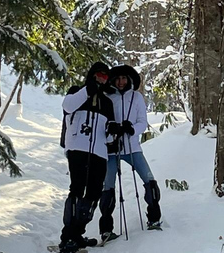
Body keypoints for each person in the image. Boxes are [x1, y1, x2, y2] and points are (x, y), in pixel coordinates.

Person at [98, 64, 162, 243]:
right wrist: (111, 129)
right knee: (107, 188)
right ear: (112, 80)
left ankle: (154, 218)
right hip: (110, 149)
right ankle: (106, 230)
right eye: (117, 78)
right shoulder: (107, 97)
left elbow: (143, 121)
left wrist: (131, 129)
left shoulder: (137, 97)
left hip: (133, 148)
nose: (120, 82)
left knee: (150, 182)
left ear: (130, 79)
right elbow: (101, 122)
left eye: (124, 78)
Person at [59, 62, 116, 253]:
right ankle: (67, 236)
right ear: (92, 75)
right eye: (99, 75)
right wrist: (87, 90)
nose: (102, 79)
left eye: (105, 77)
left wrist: (113, 131)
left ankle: (77, 233)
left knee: (93, 193)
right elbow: (67, 107)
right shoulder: (77, 92)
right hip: (77, 148)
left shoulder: (107, 102)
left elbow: (108, 136)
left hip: (99, 152)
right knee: (77, 188)